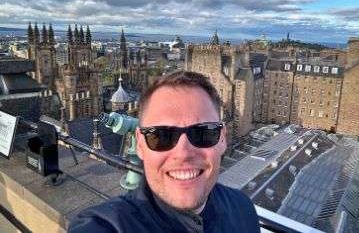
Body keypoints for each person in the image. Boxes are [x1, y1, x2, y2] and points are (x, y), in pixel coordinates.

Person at [68, 71, 259, 232]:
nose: (183, 153)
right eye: (161, 135)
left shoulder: (244, 209)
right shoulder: (107, 225)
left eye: (204, 133)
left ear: (223, 138)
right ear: (140, 145)